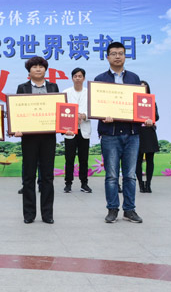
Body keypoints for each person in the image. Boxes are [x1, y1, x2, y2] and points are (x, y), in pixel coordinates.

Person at [94, 42, 144, 224]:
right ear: (107, 57)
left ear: (125, 56)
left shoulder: (134, 78)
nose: (117, 56)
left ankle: (129, 210)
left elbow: (139, 104)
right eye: (113, 53)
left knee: (130, 175)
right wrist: (102, 116)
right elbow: (97, 105)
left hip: (132, 133)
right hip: (110, 134)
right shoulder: (100, 79)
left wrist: (145, 117)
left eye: (121, 53)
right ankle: (112, 209)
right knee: (112, 176)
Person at [15, 56, 58, 224]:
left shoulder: (53, 87)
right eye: (34, 67)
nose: (38, 69)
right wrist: (17, 127)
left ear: (45, 69)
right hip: (29, 138)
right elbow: (18, 111)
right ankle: (29, 214)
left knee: (47, 176)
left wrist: (64, 126)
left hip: (48, 137)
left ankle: (47, 214)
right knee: (28, 176)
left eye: (41, 66)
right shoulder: (23, 88)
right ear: (29, 70)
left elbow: (59, 110)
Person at [62, 67, 92, 194]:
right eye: (75, 76)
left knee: (83, 159)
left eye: (80, 76)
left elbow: (93, 110)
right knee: (69, 159)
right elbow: (62, 110)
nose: (78, 78)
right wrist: (74, 117)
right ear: (72, 78)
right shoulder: (66, 92)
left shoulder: (89, 93)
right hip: (70, 130)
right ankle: (68, 183)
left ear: (84, 78)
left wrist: (84, 116)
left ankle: (84, 183)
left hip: (84, 130)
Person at [136, 80, 159, 193]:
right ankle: (140, 184)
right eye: (140, 87)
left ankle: (148, 184)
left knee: (150, 160)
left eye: (145, 87)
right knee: (138, 160)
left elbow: (157, 116)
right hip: (137, 132)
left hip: (149, 132)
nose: (143, 90)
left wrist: (151, 119)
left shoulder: (151, 101)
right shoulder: (133, 102)